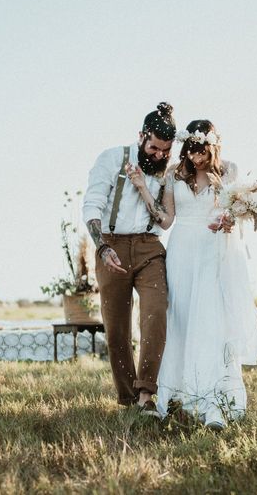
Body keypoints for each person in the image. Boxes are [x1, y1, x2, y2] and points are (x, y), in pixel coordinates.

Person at [141, 120, 257, 429]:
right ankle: (178, 397)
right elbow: (166, 220)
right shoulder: (174, 174)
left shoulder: (229, 171)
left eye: (202, 152)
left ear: (213, 148)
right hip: (181, 252)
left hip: (213, 252)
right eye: (192, 152)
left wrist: (227, 223)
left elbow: (235, 216)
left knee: (210, 321)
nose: (196, 159)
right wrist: (144, 190)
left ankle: (215, 403)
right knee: (181, 319)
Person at [82, 102, 176, 416]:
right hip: (112, 246)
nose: (159, 155)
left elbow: (165, 218)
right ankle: (126, 400)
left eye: (165, 150)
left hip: (151, 248)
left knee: (155, 315)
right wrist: (102, 247)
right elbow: (92, 205)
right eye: (153, 148)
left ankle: (146, 393)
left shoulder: (167, 173)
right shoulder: (111, 158)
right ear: (140, 137)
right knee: (117, 328)